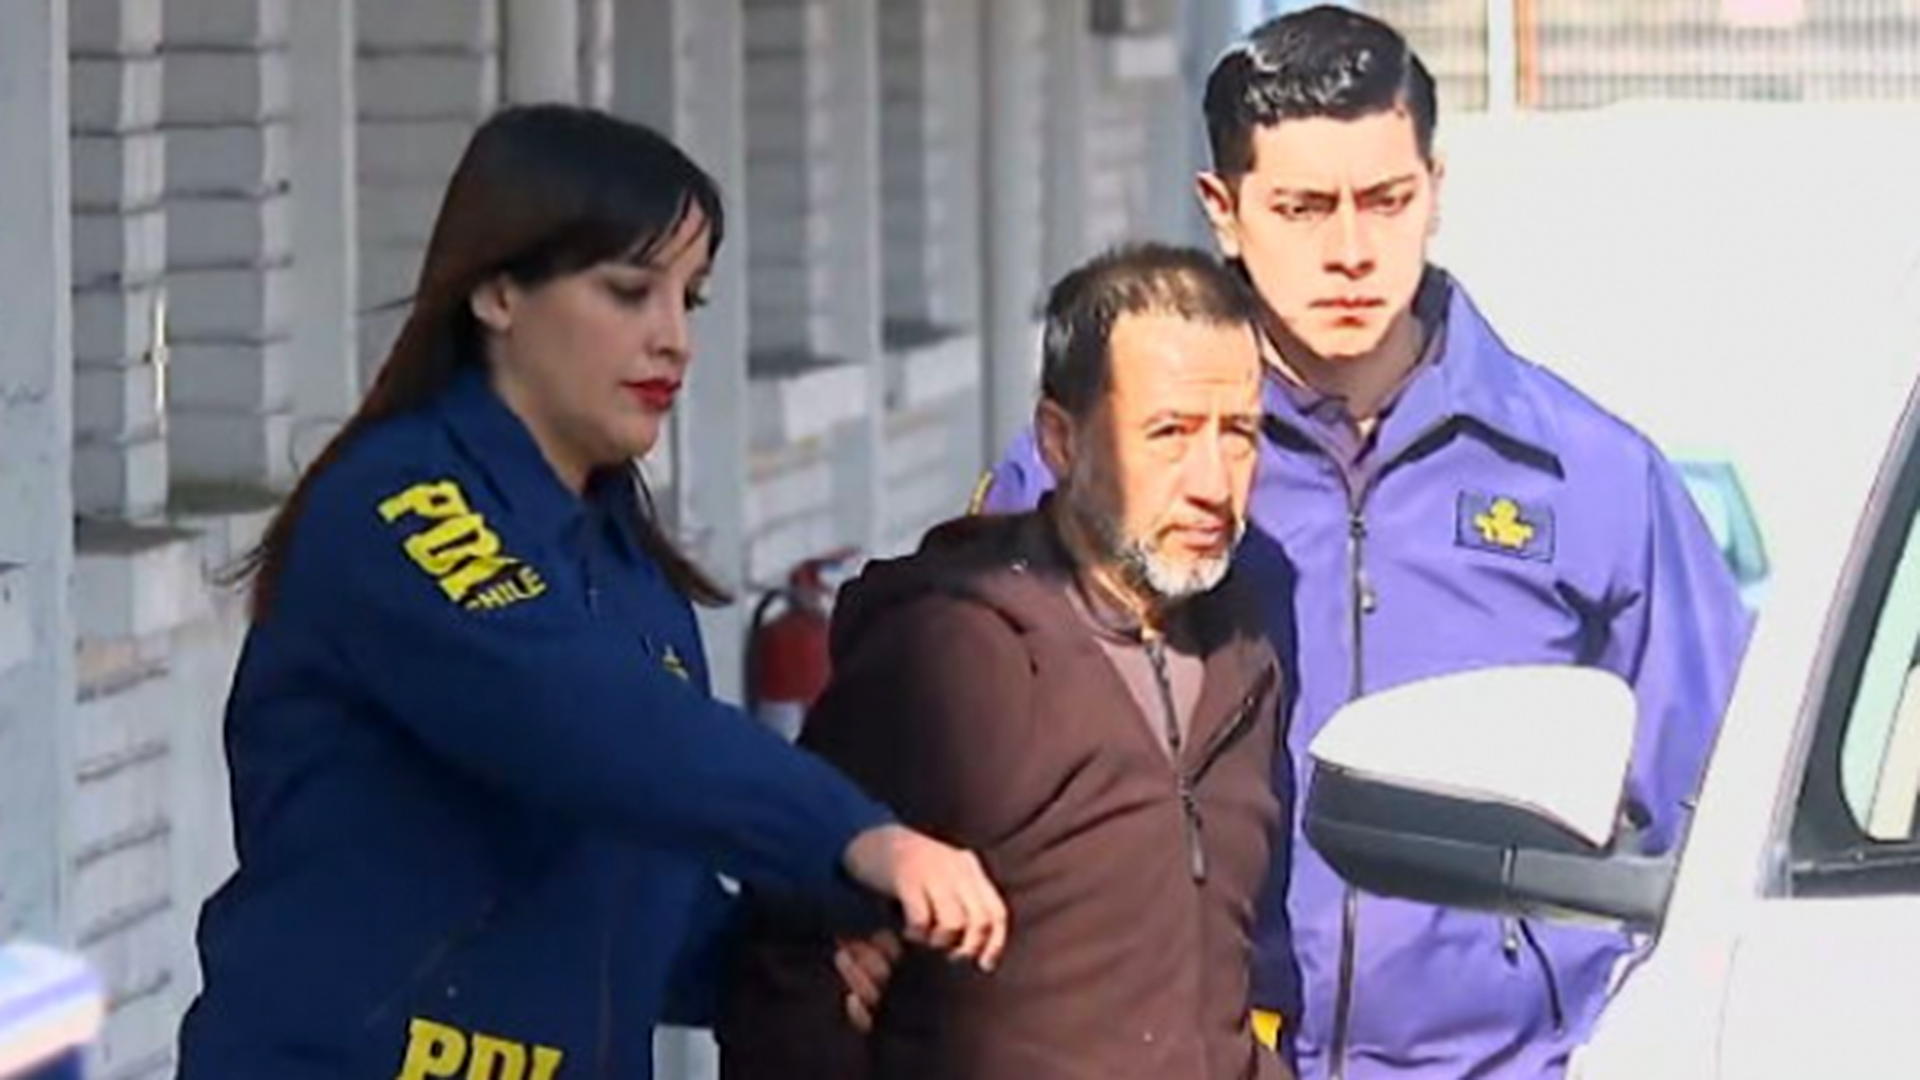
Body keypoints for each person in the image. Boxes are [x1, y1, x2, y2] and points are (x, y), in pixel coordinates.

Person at [970, 8, 1752, 1080]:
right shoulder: (1101, 468)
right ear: (1223, 211)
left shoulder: (1592, 477)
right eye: (1301, 208)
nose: (1349, 252)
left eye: (1386, 200)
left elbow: (1721, 817)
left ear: (1435, 188)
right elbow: (958, 757)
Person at [172, 104, 1007, 1080]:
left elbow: (644, 901)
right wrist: (856, 836)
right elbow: (586, 720)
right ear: (498, 292)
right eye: (628, 291)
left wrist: (809, 958)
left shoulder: (632, 573)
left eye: (689, 299)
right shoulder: (402, 505)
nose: (673, 340)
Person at [719, 244, 1293, 1080]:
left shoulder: (1243, 653)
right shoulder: (950, 654)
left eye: (1239, 433)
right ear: (1059, 439)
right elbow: (788, 976)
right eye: (1169, 433)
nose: (1214, 481)